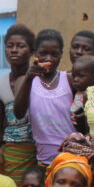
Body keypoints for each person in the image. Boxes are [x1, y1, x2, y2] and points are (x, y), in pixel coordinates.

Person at [12, 29, 76, 166]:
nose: (49, 59)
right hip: (44, 159)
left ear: (61, 55)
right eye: (43, 53)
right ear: (35, 53)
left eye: (54, 54)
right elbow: (18, 113)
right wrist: (29, 78)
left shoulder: (69, 80)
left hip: (72, 158)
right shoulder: (24, 81)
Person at [0, 23, 37, 182]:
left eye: (20, 46)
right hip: (13, 154)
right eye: (10, 46)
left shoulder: (41, 81)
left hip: (40, 151)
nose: (14, 50)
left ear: (31, 51)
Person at [69, 55, 94, 135]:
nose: (75, 79)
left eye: (81, 76)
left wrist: (83, 115)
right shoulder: (76, 91)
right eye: (73, 76)